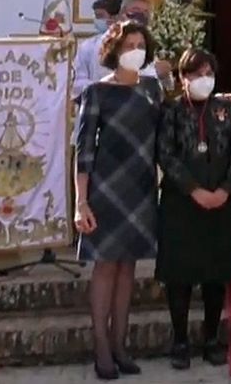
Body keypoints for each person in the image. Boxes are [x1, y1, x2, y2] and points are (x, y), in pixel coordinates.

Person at [73, 19, 163, 379]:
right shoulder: (97, 92)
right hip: (105, 189)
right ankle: (101, 347)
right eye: (129, 46)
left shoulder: (153, 89)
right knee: (106, 266)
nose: (135, 51)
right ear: (114, 51)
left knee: (128, 267)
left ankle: (121, 343)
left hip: (141, 188)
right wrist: (82, 202)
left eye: (141, 45)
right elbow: (83, 150)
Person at [156, 49, 231, 369]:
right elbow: (166, 155)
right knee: (179, 275)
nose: (202, 79)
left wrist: (224, 189)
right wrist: (194, 190)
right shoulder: (171, 111)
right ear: (183, 78)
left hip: (221, 202)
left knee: (214, 274)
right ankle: (180, 340)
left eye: (208, 73)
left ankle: (212, 338)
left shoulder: (227, 109)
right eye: (195, 74)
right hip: (182, 203)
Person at [73, 0, 123, 100]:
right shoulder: (87, 46)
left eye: (100, 16)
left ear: (115, 17)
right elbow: (78, 78)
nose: (97, 20)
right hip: (95, 98)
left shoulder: (132, 42)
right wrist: (100, 87)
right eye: (96, 16)